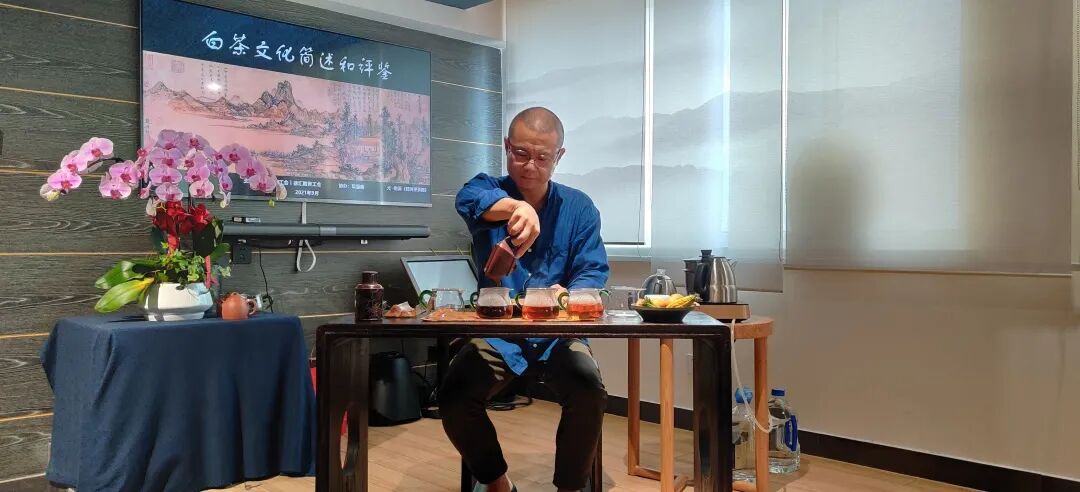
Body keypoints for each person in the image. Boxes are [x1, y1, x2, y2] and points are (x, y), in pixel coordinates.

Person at [441, 107, 609, 492]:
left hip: (558, 335)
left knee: (589, 390)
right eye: (521, 154)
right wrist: (519, 207)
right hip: (499, 332)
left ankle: (570, 487)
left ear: (559, 156)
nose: (530, 166)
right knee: (454, 393)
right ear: (507, 147)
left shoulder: (579, 208)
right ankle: (497, 483)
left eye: (542, 157)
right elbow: (469, 200)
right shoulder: (487, 189)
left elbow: (592, 270)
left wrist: (570, 293)